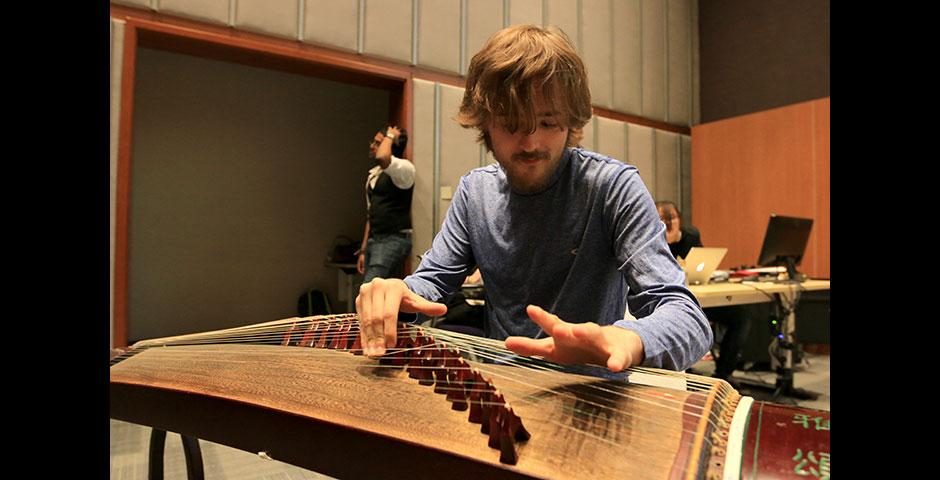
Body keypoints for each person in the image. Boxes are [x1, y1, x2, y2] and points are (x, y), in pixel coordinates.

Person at [356, 25, 712, 374]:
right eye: (512, 124)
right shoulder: (474, 193)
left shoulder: (612, 187)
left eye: (547, 122)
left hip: (595, 395)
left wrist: (629, 339)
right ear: (485, 125)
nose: (530, 144)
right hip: (505, 394)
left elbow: (687, 318)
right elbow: (431, 283)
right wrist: (397, 292)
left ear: (571, 121)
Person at [656, 200, 750, 384]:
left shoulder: (691, 236)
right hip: (667, 302)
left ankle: (724, 374)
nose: (668, 223)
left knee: (741, 316)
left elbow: (702, 267)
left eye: (672, 218)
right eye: (662, 219)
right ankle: (685, 372)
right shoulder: (652, 240)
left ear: (679, 219)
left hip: (698, 298)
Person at [356, 126, 414, 284]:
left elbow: (382, 157)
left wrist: (390, 135)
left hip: (393, 238)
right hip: (375, 239)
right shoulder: (374, 174)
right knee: (372, 290)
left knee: (368, 287)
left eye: (377, 142)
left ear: (391, 145)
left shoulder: (404, 168)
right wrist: (363, 249)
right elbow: (371, 213)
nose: (372, 146)